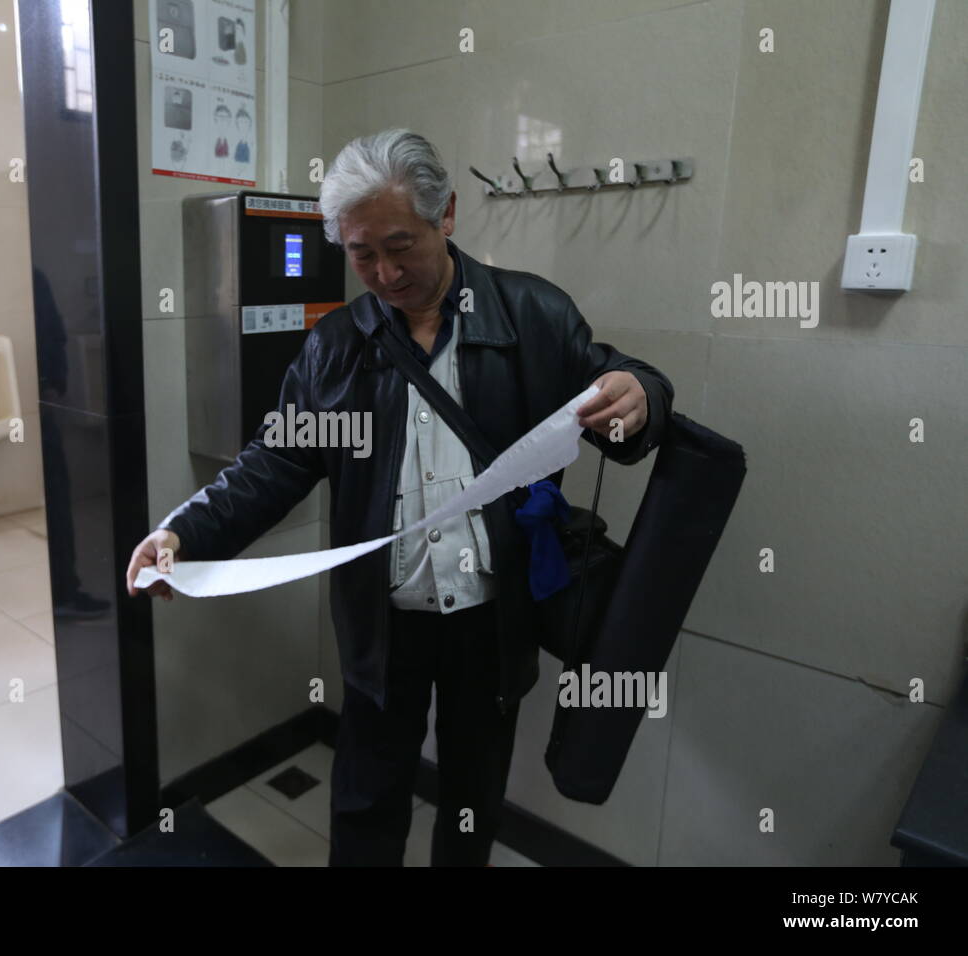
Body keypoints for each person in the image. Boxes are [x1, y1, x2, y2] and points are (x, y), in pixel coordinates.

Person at [125, 129, 673, 865]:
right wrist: (185, 533)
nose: (382, 272)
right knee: (364, 800)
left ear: (445, 215)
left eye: (399, 245)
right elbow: (277, 461)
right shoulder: (337, 346)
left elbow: (619, 387)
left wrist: (643, 394)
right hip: (385, 623)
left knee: (473, 801)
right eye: (360, 254)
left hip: (493, 615)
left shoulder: (531, 317)